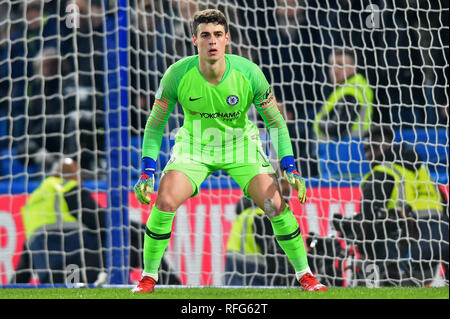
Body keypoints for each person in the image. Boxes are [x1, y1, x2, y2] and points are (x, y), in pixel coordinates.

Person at [132, 9, 326, 293]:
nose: (212, 41)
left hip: (241, 146)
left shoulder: (249, 73)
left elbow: (276, 122)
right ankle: (148, 278)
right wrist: (148, 170)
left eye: (218, 35)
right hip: (194, 146)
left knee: (275, 204)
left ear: (227, 39)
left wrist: (290, 166)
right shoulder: (176, 74)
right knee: (165, 200)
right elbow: (154, 125)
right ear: (194, 40)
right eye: (206, 35)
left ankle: (305, 275)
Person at [332, 125, 449, 286]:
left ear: (383, 145)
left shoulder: (383, 172)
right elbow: (444, 203)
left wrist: (357, 235)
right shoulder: (421, 171)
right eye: (365, 151)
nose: (368, 156)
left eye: (370, 149)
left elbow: (368, 218)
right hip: (442, 240)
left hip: (409, 246)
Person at [14, 157, 107, 285]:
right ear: (75, 175)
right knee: (130, 234)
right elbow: (102, 222)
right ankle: (114, 277)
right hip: (78, 266)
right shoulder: (66, 187)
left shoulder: (33, 202)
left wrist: (10, 287)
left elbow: (25, 264)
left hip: (51, 278)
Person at [224, 178, 298, 286]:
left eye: (289, 183)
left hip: (235, 278)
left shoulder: (249, 212)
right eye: (281, 182)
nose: (287, 188)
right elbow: (275, 259)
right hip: (256, 278)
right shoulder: (264, 217)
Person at [313, 47, 374, 141]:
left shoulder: (352, 91)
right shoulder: (347, 88)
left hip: (344, 150)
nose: (335, 70)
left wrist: (319, 122)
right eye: (332, 65)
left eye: (340, 65)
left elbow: (337, 127)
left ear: (354, 67)